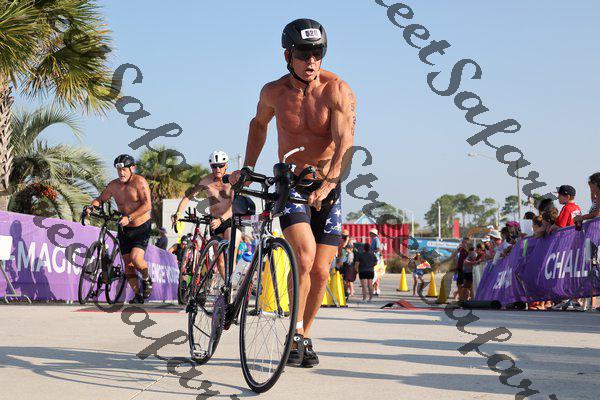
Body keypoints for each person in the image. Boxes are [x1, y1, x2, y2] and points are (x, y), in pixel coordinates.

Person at [229, 18, 355, 368]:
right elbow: (258, 125)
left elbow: (345, 140)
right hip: (292, 182)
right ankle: (294, 330)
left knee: (321, 270)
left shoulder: (336, 90)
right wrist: (248, 168)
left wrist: (329, 182)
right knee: (304, 255)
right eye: (303, 54)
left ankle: (302, 335)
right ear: (288, 55)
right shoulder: (273, 92)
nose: (311, 61)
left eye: (317, 54)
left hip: (328, 183)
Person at [85, 154, 153, 304]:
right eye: (119, 170)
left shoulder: (140, 182)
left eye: (124, 170)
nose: (121, 173)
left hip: (141, 227)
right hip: (124, 228)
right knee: (128, 264)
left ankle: (146, 278)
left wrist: (130, 217)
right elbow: (100, 199)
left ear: (132, 168)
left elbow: (147, 205)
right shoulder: (113, 185)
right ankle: (137, 295)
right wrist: (91, 207)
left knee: (136, 259)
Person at [172, 151, 241, 277]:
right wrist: (178, 213)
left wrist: (221, 219)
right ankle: (228, 286)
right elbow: (188, 196)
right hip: (215, 222)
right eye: (214, 166)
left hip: (230, 220)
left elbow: (235, 204)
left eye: (220, 165)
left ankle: (235, 285)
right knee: (219, 261)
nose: (217, 169)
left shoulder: (233, 180)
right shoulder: (206, 180)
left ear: (226, 165)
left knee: (230, 254)